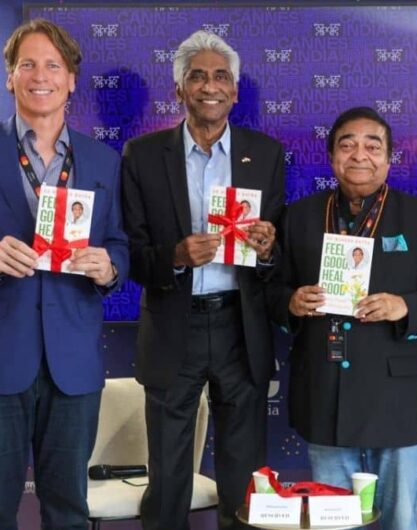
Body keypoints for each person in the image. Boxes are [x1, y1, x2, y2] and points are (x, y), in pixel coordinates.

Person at [266, 106, 417, 530]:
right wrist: (291, 303)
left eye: (373, 146)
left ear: (389, 158)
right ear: (331, 156)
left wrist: (404, 306)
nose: (360, 155)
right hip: (324, 390)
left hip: (392, 394)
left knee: (399, 520)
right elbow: (271, 291)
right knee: (332, 520)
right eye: (347, 145)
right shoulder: (299, 216)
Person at [121, 30, 284, 530]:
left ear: (234, 90)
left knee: (243, 471)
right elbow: (130, 255)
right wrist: (175, 256)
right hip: (174, 325)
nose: (209, 86)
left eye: (220, 77)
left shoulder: (266, 153)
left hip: (241, 326)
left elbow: (279, 257)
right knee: (169, 474)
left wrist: (267, 248)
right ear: (179, 90)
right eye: (197, 77)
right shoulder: (142, 155)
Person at [0, 19, 127, 530]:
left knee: (69, 512)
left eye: (53, 65)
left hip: (73, 366)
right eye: (27, 64)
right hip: (3, 359)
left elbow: (120, 243)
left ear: (72, 79)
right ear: (9, 76)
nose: (40, 76)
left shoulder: (103, 160)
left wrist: (109, 266)